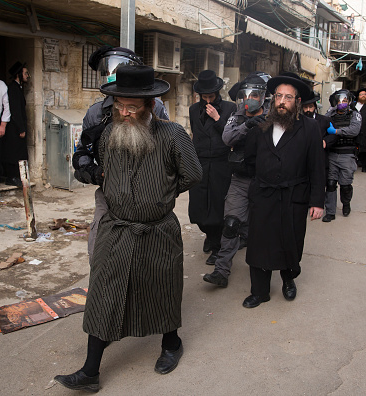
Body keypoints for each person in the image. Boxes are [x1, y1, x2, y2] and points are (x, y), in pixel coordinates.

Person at [54, 65, 202, 391]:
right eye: (119, 105)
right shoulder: (109, 134)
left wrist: (163, 194)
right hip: (115, 228)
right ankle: (90, 371)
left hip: (157, 230)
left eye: (131, 107)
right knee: (105, 291)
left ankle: (171, 344)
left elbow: (193, 174)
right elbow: (106, 172)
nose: (124, 113)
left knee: (160, 289)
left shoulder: (173, 135)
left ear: (149, 105)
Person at [72, 46, 169, 261]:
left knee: (146, 259)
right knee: (99, 252)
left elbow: (170, 151)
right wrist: (96, 173)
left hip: (148, 198)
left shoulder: (156, 107)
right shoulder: (96, 113)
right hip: (109, 196)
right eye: (107, 69)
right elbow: (80, 155)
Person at [242, 72, 325, 308]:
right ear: (272, 99)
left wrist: (317, 202)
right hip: (264, 195)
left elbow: (317, 167)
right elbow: (249, 160)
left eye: (288, 97)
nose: (282, 101)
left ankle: (289, 280)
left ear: (297, 102)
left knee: (290, 242)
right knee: (259, 244)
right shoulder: (260, 127)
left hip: (293, 197)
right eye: (278, 96)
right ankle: (259, 291)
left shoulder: (309, 128)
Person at [203, 74, 268, 288]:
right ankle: (221, 272)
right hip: (240, 179)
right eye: (246, 95)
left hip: (265, 181)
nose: (250, 99)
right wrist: (247, 125)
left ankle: (264, 276)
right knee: (230, 224)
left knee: (265, 230)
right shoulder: (236, 116)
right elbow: (227, 138)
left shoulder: (273, 116)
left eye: (255, 95)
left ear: (262, 96)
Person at [188, 70, 237, 265]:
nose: (208, 100)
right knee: (198, 209)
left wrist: (217, 118)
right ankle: (209, 233)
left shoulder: (229, 108)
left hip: (220, 163)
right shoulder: (193, 110)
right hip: (200, 163)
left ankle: (217, 246)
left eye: (211, 96)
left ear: (217, 93)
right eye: (204, 96)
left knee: (217, 207)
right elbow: (195, 134)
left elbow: (231, 135)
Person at [322, 89, 362, 222]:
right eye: (339, 101)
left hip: (347, 154)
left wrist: (337, 131)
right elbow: (323, 126)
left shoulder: (354, 115)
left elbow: (354, 130)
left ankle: (346, 204)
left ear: (349, 102)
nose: (342, 103)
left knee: (345, 184)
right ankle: (330, 212)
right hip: (332, 153)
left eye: (345, 101)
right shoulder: (330, 114)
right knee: (331, 183)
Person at [4, 61, 29, 187]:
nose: (27, 76)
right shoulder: (13, 88)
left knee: (19, 152)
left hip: (18, 127)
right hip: (14, 128)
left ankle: (18, 176)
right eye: (25, 73)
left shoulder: (18, 88)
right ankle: (11, 176)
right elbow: (15, 111)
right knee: (14, 152)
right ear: (19, 74)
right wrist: (21, 128)